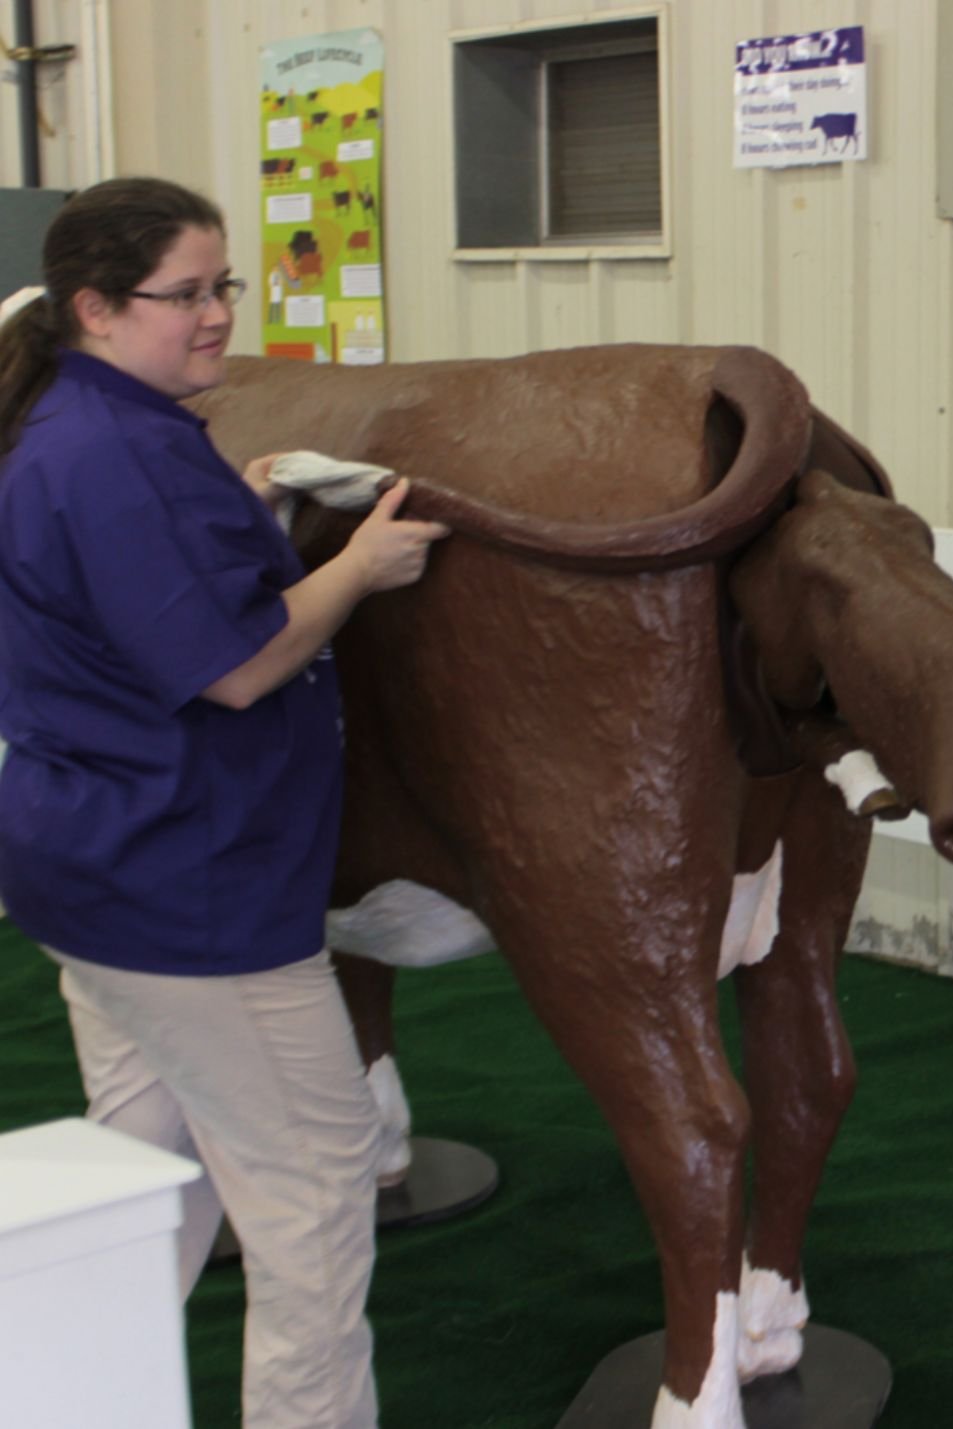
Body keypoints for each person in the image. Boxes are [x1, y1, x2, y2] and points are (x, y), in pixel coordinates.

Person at [0, 177, 450, 1429]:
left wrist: (241, 522)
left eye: (223, 287)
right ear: (94, 307)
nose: (217, 317)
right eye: (186, 294)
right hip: (189, 896)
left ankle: (67, 1398)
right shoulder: (117, 458)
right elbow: (237, 666)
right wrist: (359, 566)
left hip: (92, 875)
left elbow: (133, 605)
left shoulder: (87, 431)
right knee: (315, 1188)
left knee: (145, 1178)